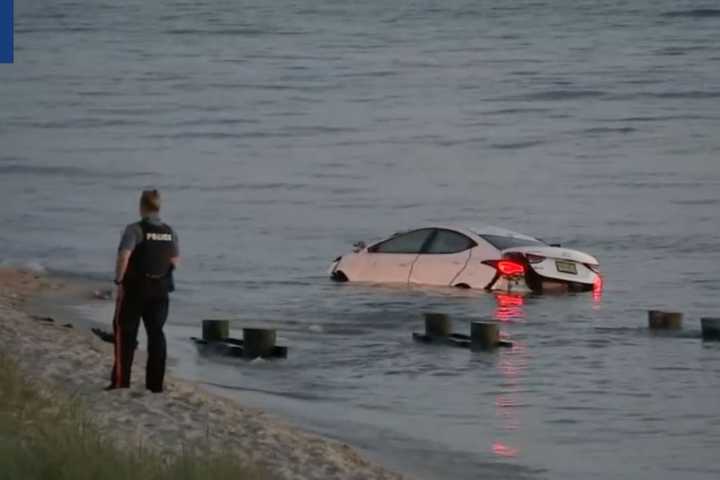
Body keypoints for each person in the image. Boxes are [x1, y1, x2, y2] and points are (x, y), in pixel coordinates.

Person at [108, 189, 179, 393]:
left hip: (135, 289)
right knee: (156, 335)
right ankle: (155, 385)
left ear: (142, 206)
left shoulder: (134, 230)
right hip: (161, 291)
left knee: (125, 334)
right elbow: (175, 260)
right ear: (159, 206)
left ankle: (121, 382)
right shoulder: (169, 231)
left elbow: (124, 256)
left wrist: (119, 279)